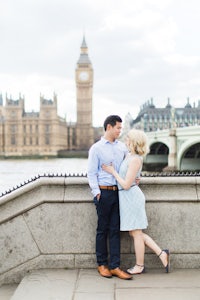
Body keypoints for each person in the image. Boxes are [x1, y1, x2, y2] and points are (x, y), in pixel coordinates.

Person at [102, 128, 170, 274]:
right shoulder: (129, 156)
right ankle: (162, 254)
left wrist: (113, 172)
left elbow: (126, 185)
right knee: (135, 233)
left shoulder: (135, 159)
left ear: (134, 142)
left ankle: (140, 266)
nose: (125, 141)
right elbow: (131, 178)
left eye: (128, 139)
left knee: (137, 233)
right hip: (127, 198)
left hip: (131, 198)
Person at [87, 115, 132, 280]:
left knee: (115, 230)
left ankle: (115, 266)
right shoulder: (96, 149)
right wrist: (96, 192)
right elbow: (91, 173)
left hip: (119, 192)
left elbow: (130, 164)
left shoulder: (122, 148)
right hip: (104, 192)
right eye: (118, 128)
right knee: (102, 230)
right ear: (109, 127)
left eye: (121, 128)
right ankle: (102, 264)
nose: (120, 130)